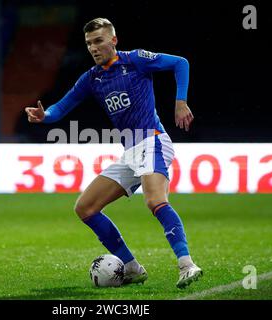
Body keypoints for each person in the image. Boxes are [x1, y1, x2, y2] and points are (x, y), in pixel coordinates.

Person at [25, 18, 202, 289]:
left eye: (98, 41)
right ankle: (132, 268)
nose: (93, 48)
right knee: (85, 207)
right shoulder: (92, 78)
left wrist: (181, 102)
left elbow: (181, 63)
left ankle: (187, 265)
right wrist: (44, 115)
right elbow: (61, 108)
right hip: (131, 151)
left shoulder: (136, 60)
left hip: (152, 141)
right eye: (88, 44)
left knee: (155, 201)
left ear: (113, 40)